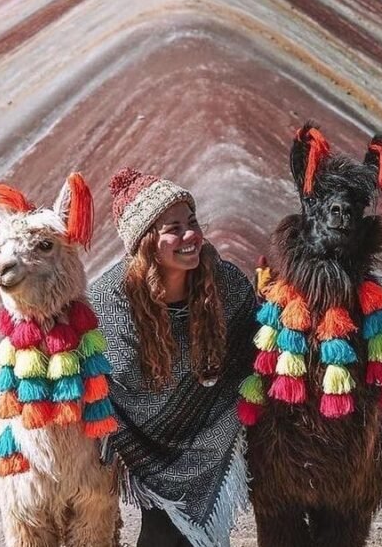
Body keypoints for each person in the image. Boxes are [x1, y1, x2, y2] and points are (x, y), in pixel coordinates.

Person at [90, 168, 257, 547]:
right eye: (174, 228)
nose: (191, 236)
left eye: (192, 221)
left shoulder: (226, 285)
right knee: (162, 531)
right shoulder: (109, 302)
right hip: (143, 446)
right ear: (146, 240)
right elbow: (104, 382)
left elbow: (250, 355)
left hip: (215, 436)